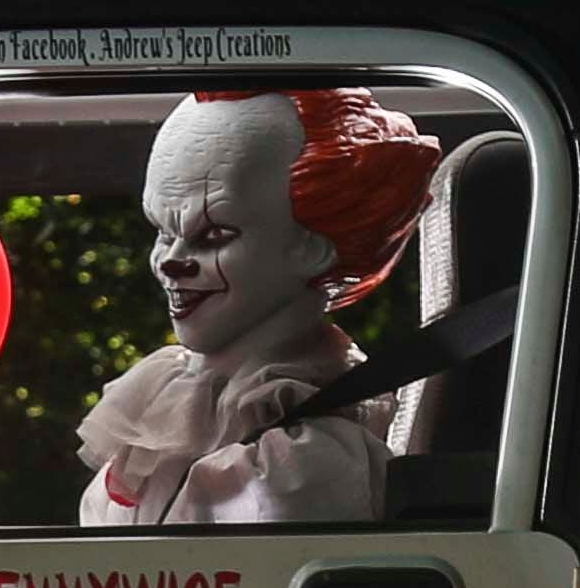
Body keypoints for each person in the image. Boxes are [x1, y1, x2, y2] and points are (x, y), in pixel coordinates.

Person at [74, 89, 440, 526]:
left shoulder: (306, 465)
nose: (170, 260)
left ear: (312, 246)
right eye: (163, 230)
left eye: (214, 234)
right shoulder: (160, 411)